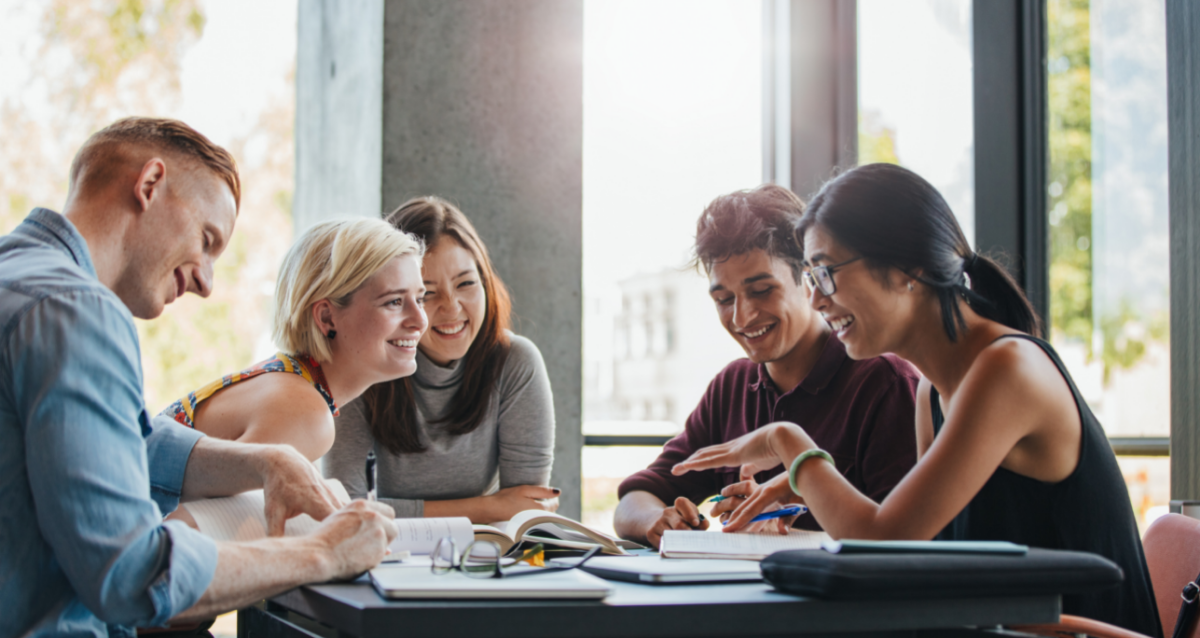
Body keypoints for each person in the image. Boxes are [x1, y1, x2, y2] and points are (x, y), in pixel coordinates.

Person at [673, 164, 1161, 637]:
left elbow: (883, 541)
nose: (818, 300)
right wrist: (804, 488)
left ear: (909, 268)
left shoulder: (1007, 370)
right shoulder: (934, 388)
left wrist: (790, 444)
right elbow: (919, 553)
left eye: (826, 273)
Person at [0, 117, 398, 638]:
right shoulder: (77, 311)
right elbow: (132, 575)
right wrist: (321, 552)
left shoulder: (20, 280)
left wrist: (266, 461)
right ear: (149, 185)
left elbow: (120, 443)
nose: (206, 283)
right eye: (207, 240)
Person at [613, 184, 921, 548]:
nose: (741, 316)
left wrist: (790, 513)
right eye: (724, 299)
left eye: (761, 291)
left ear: (809, 280)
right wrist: (656, 520)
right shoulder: (732, 386)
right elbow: (636, 498)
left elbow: (901, 541)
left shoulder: (884, 383)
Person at [324, 196, 557, 523]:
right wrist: (487, 507)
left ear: (486, 282)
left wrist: (500, 510)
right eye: (427, 293)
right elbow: (346, 510)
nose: (452, 308)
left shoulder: (515, 362)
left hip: (482, 557)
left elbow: (524, 509)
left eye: (466, 283)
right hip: (382, 556)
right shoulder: (361, 363)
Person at [159, 217, 428, 462]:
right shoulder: (305, 415)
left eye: (420, 299)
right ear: (326, 318)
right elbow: (187, 515)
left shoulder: (293, 383)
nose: (420, 320)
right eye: (394, 301)